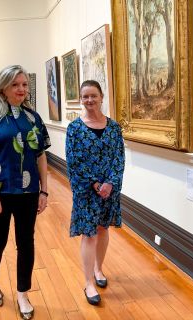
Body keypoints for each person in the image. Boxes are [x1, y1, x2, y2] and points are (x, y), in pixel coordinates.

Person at [0, 65, 51, 320]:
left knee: (26, 243)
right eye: (15, 84)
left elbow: (40, 155)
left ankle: (23, 293)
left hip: (27, 192)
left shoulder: (32, 118)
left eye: (25, 84)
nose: (21, 89)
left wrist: (44, 191)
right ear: (3, 87)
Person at [66, 80, 125, 306]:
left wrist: (109, 183)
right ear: (81, 100)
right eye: (85, 97)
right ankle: (88, 281)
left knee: (103, 228)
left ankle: (99, 269)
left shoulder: (114, 127)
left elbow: (119, 158)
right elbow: (74, 161)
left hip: (109, 191)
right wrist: (95, 184)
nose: (89, 100)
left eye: (93, 96)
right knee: (89, 234)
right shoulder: (75, 129)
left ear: (102, 97)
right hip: (86, 191)